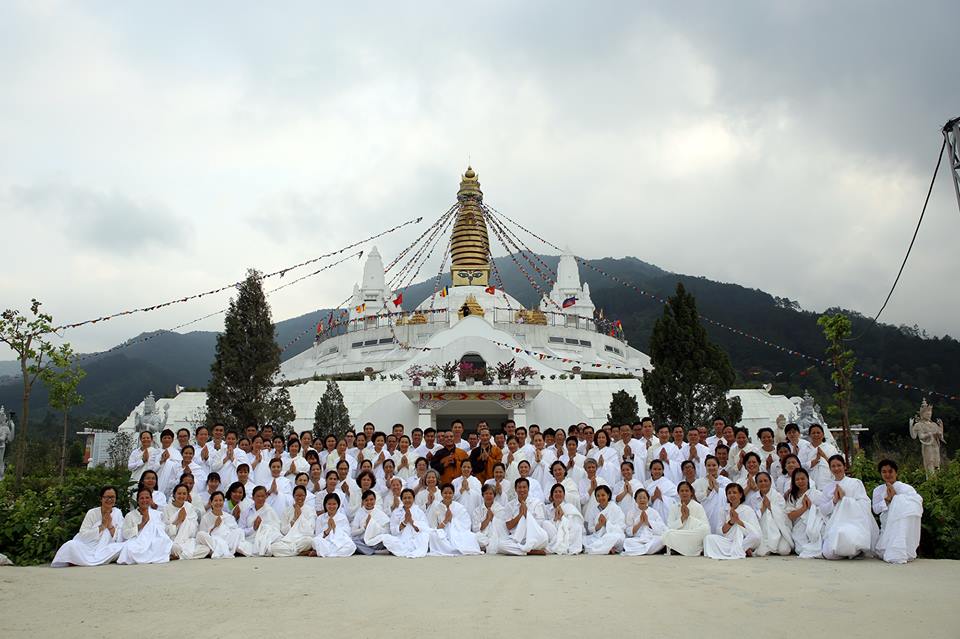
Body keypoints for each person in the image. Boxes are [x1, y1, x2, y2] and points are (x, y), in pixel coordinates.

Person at [817, 455, 879, 560]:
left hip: (854, 521)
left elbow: (864, 504)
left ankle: (855, 551)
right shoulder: (827, 488)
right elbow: (823, 509)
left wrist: (845, 499)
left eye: (839, 465)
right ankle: (849, 552)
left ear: (844, 466)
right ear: (830, 468)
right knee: (829, 554)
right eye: (833, 466)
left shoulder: (855, 483)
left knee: (845, 534)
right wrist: (834, 501)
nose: (836, 468)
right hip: (834, 522)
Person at [52, 486, 125, 567]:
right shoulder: (92, 513)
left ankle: (80, 559)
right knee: (70, 545)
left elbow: (120, 537)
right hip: (88, 546)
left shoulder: (117, 513)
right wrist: (102, 526)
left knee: (123, 547)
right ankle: (86, 558)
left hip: (106, 547)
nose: (110, 499)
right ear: (101, 499)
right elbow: (83, 534)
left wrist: (110, 525)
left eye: (112, 497)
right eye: (107, 497)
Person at [872, 459, 923, 564]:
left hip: (903, 526)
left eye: (890, 471)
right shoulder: (877, 490)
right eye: (884, 472)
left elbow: (916, 504)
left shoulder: (906, 488)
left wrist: (896, 498)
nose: (887, 474)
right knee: (882, 552)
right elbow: (875, 510)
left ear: (896, 472)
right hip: (886, 525)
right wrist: (887, 501)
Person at [704, 483, 761, 560]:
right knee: (708, 538)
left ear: (740, 495)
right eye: (729, 493)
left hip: (744, 540)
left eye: (734, 492)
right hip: (728, 541)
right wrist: (731, 522)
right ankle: (742, 549)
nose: (732, 495)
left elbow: (755, 531)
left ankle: (739, 549)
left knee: (756, 537)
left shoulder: (747, 509)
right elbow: (719, 531)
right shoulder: (723, 510)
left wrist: (738, 521)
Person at [118, 488, 173, 565]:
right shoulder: (130, 515)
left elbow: (163, 531)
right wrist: (141, 524)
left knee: (167, 544)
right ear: (137, 500)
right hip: (138, 542)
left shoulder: (158, 514)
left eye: (147, 498)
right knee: (129, 549)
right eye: (142, 498)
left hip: (155, 541)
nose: (144, 500)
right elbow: (125, 534)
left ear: (151, 499)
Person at [427, 483, 482, 556]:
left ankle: (452, 548)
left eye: (450, 493)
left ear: (453, 494)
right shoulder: (436, 507)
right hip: (442, 533)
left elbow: (466, 524)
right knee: (433, 535)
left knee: (471, 536)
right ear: (441, 494)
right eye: (445, 493)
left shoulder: (459, 507)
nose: (447, 495)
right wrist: (445, 521)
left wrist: (452, 521)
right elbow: (432, 527)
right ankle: (449, 549)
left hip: (458, 533)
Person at [498, 478, 549, 556]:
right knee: (501, 545)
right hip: (517, 538)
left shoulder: (536, 503)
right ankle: (530, 551)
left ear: (528, 489)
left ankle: (522, 549)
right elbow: (509, 526)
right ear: (515, 489)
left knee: (544, 538)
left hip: (533, 536)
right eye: (519, 487)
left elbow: (539, 524)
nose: (522, 490)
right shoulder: (510, 505)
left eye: (524, 487)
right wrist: (520, 515)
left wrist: (526, 515)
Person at [749, 471, 793, 556]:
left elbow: (784, 516)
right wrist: (763, 508)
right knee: (761, 553)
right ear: (756, 484)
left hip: (779, 531)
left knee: (784, 550)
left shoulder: (778, 496)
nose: (763, 483)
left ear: (770, 482)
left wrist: (770, 507)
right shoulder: (753, 498)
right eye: (760, 481)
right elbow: (752, 518)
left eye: (765, 481)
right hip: (763, 532)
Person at [785, 468, 826, 559]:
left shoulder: (816, 494)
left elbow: (823, 511)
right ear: (794, 481)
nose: (800, 481)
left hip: (815, 523)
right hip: (799, 526)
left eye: (803, 478)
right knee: (800, 549)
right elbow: (790, 516)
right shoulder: (792, 496)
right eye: (797, 479)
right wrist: (804, 508)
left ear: (808, 479)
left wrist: (812, 508)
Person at [661, 481, 710, 557]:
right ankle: (681, 549)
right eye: (682, 491)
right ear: (678, 493)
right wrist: (682, 518)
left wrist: (689, 518)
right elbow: (670, 526)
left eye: (687, 491)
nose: (684, 493)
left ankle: (679, 549)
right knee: (667, 534)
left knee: (706, 529)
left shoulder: (698, 506)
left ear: (691, 493)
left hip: (693, 536)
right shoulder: (674, 507)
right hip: (680, 534)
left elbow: (705, 526)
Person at [382, 489, 430, 558]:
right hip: (400, 539)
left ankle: (405, 549)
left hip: (415, 539)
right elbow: (393, 531)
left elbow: (425, 529)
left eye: (409, 498)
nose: (407, 500)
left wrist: (412, 522)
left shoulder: (419, 512)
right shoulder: (396, 512)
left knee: (425, 536)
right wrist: (404, 522)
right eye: (405, 498)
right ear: (401, 500)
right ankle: (404, 548)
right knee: (386, 538)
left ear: (413, 499)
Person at [164, 483, 207, 560]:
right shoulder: (166, 509)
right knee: (174, 547)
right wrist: (178, 520)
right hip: (173, 539)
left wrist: (185, 523)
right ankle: (180, 553)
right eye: (179, 493)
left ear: (187, 495)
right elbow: (165, 531)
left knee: (205, 549)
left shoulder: (189, 507)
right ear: (174, 494)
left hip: (187, 540)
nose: (181, 496)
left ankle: (178, 555)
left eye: (184, 494)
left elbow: (194, 529)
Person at [196, 492, 246, 559]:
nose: (218, 503)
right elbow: (202, 536)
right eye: (216, 500)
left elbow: (233, 532)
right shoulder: (205, 517)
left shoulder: (229, 517)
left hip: (227, 541)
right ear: (211, 502)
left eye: (220, 500)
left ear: (223, 502)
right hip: (214, 541)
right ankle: (222, 549)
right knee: (200, 534)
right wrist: (214, 526)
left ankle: (221, 549)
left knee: (239, 531)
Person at [272, 486, 318, 557]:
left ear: (305, 496)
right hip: (289, 540)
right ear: (293, 496)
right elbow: (283, 531)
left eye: (302, 495)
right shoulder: (287, 510)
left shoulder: (310, 510)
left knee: (310, 541)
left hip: (303, 539)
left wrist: (300, 516)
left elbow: (310, 530)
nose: (300, 498)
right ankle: (300, 552)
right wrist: (295, 519)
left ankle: (292, 551)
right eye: (297, 495)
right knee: (273, 547)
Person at [240, 486, 283, 557]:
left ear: (266, 497)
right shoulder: (246, 511)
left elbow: (276, 528)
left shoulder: (270, 510)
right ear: (253, 497)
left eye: (263, 496)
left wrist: (264, 530)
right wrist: (254, 528)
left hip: (267, 538)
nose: (260, 499)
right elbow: (241, 531)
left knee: (276, 546)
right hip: (250, 539)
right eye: (258, 496)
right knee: (239, 544)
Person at [622, 488, 666, 556]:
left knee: (661, 540)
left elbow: (662, 528)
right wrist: (640, 522)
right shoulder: (631, 513)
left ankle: (638, 550)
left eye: (644, 498)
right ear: (636, 500)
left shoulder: (654, 512)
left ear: (648, 499)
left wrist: (648, 522)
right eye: (640, 498)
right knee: (627, 541)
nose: (642, 500)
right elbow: (628, 531)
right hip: (638, 539)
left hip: (651, 538)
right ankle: (648, 550)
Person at [693, 456, 731, 534]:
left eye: (714, 465)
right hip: (706, 513)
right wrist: (710, 489)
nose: (711, 468)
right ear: (705, 467)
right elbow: (698, 498)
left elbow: (730, 496)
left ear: (718, 466)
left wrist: (717, 488)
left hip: (722, 513)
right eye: (709, 465)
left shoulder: (725, 481)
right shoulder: (699, 482)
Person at [583, 485, 625, 555]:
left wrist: (606, 523)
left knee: (615, 538)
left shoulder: (615, 508)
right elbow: (590, 528)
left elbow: (621, 527)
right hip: (598, 536)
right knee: (583, 539)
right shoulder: (593, 510)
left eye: (603, 495)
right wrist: (599, 526)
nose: (600, 498)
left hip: (611, 535)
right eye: (598, 496)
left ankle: (608, 547)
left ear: (608, 495)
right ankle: (609, 548)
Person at [543, 483, 583, 555]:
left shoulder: (569, 506)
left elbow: (572, 523)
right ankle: (558, 545)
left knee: (577, 527)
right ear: (552, 495)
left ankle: (561, 546)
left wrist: (562, 518)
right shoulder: (547, 508)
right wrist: (555, 519)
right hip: (553, 533)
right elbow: (546, 525)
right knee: (545, 524)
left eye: (560, 492)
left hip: (566, 533)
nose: (558, 493)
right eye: (555, 492)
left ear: (564, 495)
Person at [312, 493, 357, 557]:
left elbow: (347, 535)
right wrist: (328, 529)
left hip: (339, 542)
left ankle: (324, 552)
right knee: (315, 541)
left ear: (338, 505)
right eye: (329, 504)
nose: (332, 506)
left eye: (334, 504)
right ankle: (328, 552)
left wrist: (335, 528)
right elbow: (318, 536)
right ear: (325, 505)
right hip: (326, 542)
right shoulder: (320, 518)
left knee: (351, 546)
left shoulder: (342, 517)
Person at [351, 489, 391, 555]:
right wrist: (364, 527)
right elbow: (353, 533)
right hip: (363, 541)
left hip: (376, 541)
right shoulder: (359, 513)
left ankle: (365, 550)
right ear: (363, 501)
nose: (369, 502)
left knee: (387, 540)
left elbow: (387, 532)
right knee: (352, 541)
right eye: (366, 500)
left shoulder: (380, 513)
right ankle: (375, 552)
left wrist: (373, 526)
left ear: (375, 500)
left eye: (371, 499)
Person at [472, 484, 507, 554]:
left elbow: (503, 528)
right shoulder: (477, 511)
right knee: (475, 536)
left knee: (499, 541)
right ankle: (488, 545)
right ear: (483, 495)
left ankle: (486, 547)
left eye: (491, 494)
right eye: (486, 493)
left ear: (494, 495)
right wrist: (488, 519)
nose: (488, 496)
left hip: (496, 535)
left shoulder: (500, 509)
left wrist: (493, 519)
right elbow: (475, 529)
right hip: (483, 537)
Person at [804, 424, 839, 489]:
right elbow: (800, 466)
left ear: (823, 435)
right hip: (809, 484)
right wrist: (814, 461)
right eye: (813, 433)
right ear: (809, 435)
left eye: (818, 433)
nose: (816, 435)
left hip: (827, 483)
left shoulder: (831, 448)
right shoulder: (804, 449)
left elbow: (837, 465)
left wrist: (824, 456)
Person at [645, 459, 678, 525]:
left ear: (663, 471)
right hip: (652, 514)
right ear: (651, 470)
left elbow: (677, 498)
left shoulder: (668, 483)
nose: (657, 471)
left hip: (667, 513)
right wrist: (654, 497)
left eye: (659, 469)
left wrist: (662, 498)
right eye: (655, 469)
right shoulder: (646, 484)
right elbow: (643, 501)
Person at [156, 429, 183, 498]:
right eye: (165, 438)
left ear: (172, 440)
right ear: (161, 439)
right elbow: (151, 468)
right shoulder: (156, 452)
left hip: (170, 482)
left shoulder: (176, 453)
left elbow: (179, 468)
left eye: (169, 438)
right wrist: (162, 461)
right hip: (157, 480)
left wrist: (169, 461)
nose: (167, 440)